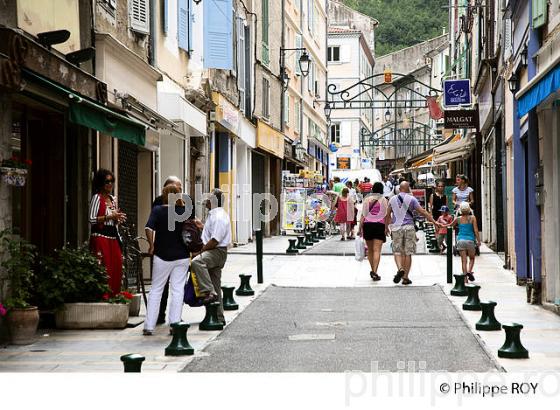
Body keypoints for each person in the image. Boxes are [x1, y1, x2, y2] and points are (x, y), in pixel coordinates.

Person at [143, 185, 191, 336]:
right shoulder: (184, 212)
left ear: (164, 195)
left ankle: (149, 326)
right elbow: (193, 229)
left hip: (162, 255)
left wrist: (151, 245)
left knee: (156, 290)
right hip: (182, 256)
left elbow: (148, 228)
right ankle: (174, 325)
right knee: (177, 291)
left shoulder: (158, 210)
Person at [190, 189, 232, 325]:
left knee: (197, 262)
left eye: (208, 198)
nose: (206, 200)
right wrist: (202, 227)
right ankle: (218, 317)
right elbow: (212, 234)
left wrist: (200, 252)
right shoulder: (214, 215)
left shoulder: (218, 216)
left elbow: (215, 240)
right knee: (215, 284)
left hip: (216, 251)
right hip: (215, 251)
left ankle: (208, 292)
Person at [386, 181, 440, 285]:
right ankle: (405, 277)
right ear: (408, 188)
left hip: (396, 228)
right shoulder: (412, 199)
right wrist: (435, 222)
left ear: (399, 189)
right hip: (409, 227)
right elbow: (423, 212)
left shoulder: (392, 199)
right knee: (408, 253)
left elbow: (387, 215)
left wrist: (386, 228)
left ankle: (400, 268)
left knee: (397, 251)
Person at [89, 169, 126, 296]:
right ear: (100, 183)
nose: (110, 184)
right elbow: (92, 219)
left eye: (112, 181)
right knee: (104, 267)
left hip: (113, 236)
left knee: (117, 266)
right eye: (107, 182)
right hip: (100, 237)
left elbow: (113, 219)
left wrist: (117, 219)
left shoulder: (112, 199)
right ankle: (103, 296)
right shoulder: (97, 198)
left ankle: (114, 295)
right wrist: (110, 217)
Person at [152, 176, 183, 325]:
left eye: (180, 188)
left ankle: (176, 317)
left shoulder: (184, 202)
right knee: (162, 287)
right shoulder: (159, 202)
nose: (179, 191)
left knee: (177, 287)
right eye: (176, 188)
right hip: (163, 250)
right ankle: (159, 314)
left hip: (179, 251)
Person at [358, 182, 389, 281]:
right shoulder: (384, 200)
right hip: (379, 225)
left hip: (367, 225)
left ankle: (372, 270)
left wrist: (359, 228)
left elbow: (363, 214)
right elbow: (386, 215)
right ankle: (375, 271)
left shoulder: (367, 199)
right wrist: (386, 227)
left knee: (370, 250)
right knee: (377, 250)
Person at [448, 202, 481, 282]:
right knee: (472, 258)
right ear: (469, 209)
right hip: (470, 241)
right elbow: (476, 230)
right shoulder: (472, 218)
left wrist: (440, 224)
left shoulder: (458, 219)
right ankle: (469, 271)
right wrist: (478, 241)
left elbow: (450, 225)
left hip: (460, 240)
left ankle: (465, 279)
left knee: (463, 260)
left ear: (460, 211)